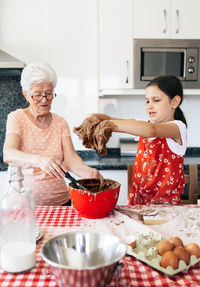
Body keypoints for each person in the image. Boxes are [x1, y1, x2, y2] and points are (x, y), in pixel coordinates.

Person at [3, 63, 102, 206]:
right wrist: (41, 161)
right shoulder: (16, 118)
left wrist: (88, 172)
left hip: (61, 202)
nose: (44, 99)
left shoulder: (60, 122)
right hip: (26, 205)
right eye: (37, 94)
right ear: (26, 95)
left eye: (48, 93)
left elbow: (70, 159)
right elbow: (9, 154)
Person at [89, 75, 187, 205]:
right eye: (147, 101)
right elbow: (112, 118)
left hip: (165, 207)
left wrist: (109, 125)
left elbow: (152, 130)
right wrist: (95, 118)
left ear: (174, 102)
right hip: (139, 202)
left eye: (156, 100)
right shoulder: (145, 125)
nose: (150, 106)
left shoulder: (177, 128)